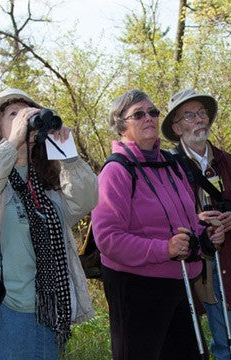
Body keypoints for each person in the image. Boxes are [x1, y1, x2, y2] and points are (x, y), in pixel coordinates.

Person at [0, 89, 99, 359]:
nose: (26, 119)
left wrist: (69, 157)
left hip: (48, 312)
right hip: (3, 313)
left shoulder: (45, 187)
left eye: (31, 114)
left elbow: (86, 199)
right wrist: (11, 145)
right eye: (15, 114)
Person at [91, 89, 223, 359]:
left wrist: (204, 236)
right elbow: (108, 239)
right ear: (121, 125)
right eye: (138, 114)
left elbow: (186, 221)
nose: (149, 118)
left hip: (179, 283)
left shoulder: (173, 165)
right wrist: (165, 249)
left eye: (153, 112)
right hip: (135, 288)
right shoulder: (116, 171)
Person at [163, 88, 231, 360]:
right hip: (184, 264)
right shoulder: (166, 165)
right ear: (176, 127)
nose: (199, 120)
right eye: (189, 115)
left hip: (225, 264)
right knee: (187, 344)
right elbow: (159, 215)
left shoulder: (226, 161)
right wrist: (194, 222)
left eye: (202, 113)